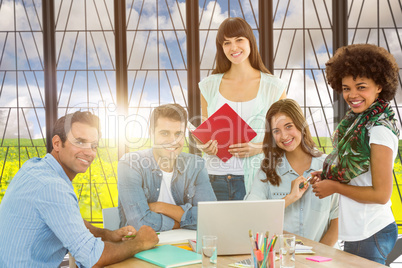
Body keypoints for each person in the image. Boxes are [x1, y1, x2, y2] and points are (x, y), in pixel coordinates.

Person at [0, 111, 159, 267]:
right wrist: (140, 242)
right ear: (57, 143)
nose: (89, 152)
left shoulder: (35, 167)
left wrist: (107, 234)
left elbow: (67, 218)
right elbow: (93, 258)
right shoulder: (52, 186)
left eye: (94, 146)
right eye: (80, 142)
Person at [311, 44, 400, 264]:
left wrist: (335, 187)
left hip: (371, 231)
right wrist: (327, 176)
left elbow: (381, 195)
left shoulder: (378, 129)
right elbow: (358, 176)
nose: (352, 95)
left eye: (361, 87)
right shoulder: (358, 123)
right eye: (346, 88)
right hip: (359, 231)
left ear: (379, 85)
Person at [197, 17, 287, 201]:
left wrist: (259, 148)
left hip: (258, 178)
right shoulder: (209, 86)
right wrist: (205, 147)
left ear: (250, 42)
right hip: (215, 177)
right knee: (215, 230)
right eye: (226, 43)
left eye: (239, 40)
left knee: (256, 230)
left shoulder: (273, 87)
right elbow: (205, 135)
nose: (233, 48)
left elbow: (284, 137)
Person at [245, 99, 339, 246]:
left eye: (288, 126)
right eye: (276, 131)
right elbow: (252, 215)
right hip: (280, 259)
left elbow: (337, 223)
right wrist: (289, 198)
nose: (283, 136)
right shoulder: (267, 171)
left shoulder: (328, 167)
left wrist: (316, 260)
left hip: (321, 261)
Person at [118, 104, 216, 232]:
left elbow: (211, 217)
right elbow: (140, 223)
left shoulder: (196, 164)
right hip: (140, 247)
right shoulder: (131, 163)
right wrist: (180, 222)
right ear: (151, 133)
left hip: (185, 244)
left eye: (178, 134)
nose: (173, 141)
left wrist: (161, 207)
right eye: (164, 133)